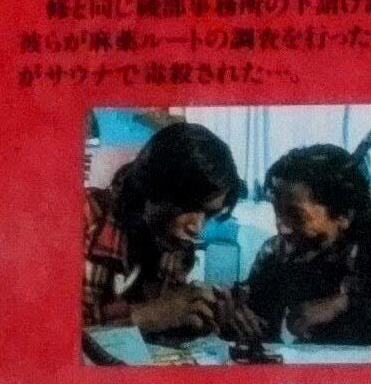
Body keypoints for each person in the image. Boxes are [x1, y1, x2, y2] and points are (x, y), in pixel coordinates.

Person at [82, 120, 267, 349]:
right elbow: (51, 330)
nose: (197, 228)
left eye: (209, 215)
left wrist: (205, 320)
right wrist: (148, 315)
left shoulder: (175, 248)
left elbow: (154, 339)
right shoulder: (85, 215)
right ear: (153, 185)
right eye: (189, 206)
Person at [241, 144, 371, 361]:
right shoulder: (276, 253)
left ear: (344, 215)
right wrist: (236, 319)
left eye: (296, 216)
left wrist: (345, 304)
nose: (282, 228)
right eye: (277, 212)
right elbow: (260, 333)